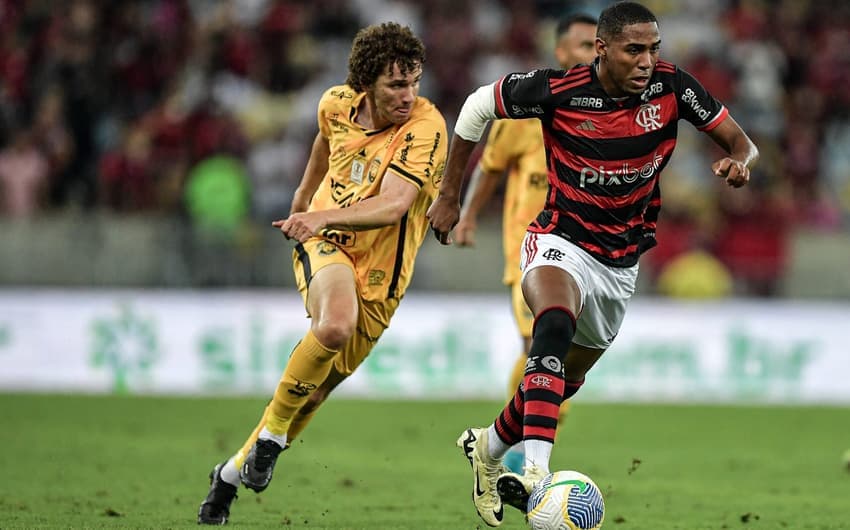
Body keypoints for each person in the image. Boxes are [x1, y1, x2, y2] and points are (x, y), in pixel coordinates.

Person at [427, 2, 758, 526]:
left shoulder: (673, 87)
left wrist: (739, 162)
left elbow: (741, 141)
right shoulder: (559, 90)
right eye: (634, 49)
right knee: (553, 324)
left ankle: (488, 447)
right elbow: (474, 107)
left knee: (564, 380)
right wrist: (451, 197)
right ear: (602, 49)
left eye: (653, 48)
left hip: (620, 262)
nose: (648, 60)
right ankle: (537, 474)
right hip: (558, 239)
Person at [197, 22, 448, 525]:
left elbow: (395, 205)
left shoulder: (426, 127)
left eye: (414, 82)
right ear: (366, 83)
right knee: (334, 324)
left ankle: (227, 476)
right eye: (396, 85)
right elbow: (324, 143)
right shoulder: (336, 103)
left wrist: (316, 212)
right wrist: (305, 199)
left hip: (383, 278)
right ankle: (269, 440)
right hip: (326, 244)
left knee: (313, 392)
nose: (408, 95)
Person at [453, 13, 598, 475]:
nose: (592, 54)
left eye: (598, 46)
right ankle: (517, 458)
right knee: (543, 345)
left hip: (587, 256)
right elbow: (490, 166)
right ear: (559, 53)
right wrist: (468, 215)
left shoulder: (608, 111)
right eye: (582, 45)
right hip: (531, 253)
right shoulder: (529, 108)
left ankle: (504, 442)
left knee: (565, 367)